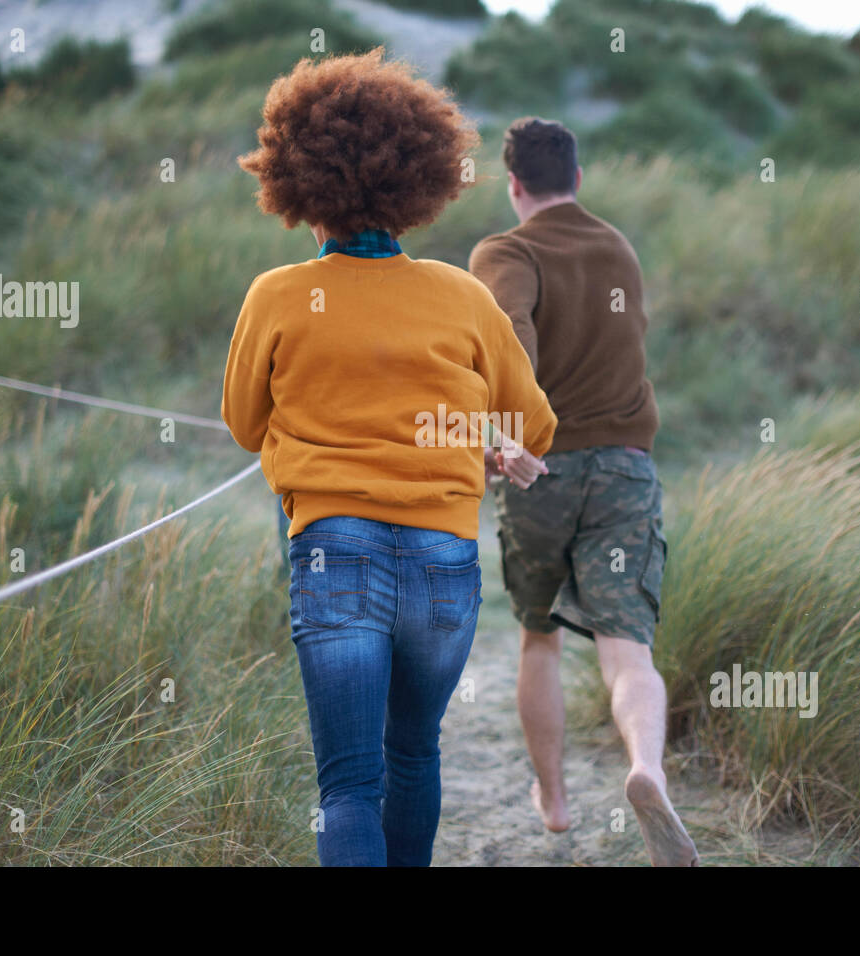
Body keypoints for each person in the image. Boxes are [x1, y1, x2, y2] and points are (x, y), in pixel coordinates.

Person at [222, 53, 557, 867]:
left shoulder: (276, 294)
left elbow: (242, 424)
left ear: (296, 183)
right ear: (418, 183)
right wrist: (466, 440)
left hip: (333, 553)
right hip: (444, 561)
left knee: (348, 786)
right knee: (414, 754)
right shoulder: (461, 295)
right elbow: (534, 426)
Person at [470, 117, 700, 867]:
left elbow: (510, 337)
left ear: (513, 184)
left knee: (538, 639)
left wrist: (504, 440)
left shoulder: (505, 249)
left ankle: (555, 802)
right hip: (626, 467)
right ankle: (647, 770)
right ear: (578, 178)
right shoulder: (617, 247)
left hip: (541, 467)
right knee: (627, 649)